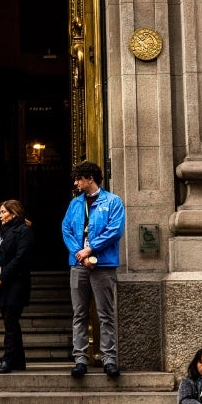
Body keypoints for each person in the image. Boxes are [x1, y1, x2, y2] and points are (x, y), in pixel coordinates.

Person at [61, 160, 125, 379]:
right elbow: (66, 229)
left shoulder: (113, 201)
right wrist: (80, 253)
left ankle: (109, 359)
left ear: (90, 178)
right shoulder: (75, 204)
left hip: (103, 265)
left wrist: (91, 249)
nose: (76, 183)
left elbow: (115, 230)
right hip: (78, 265)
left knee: (105, 313)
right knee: (79, 313)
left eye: (79, 178)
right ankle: (80, 359)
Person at [0, 199, 34, 374]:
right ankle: (19, 361)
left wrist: (2, 277)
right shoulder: (1, 233)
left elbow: (20, 258)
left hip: (16, 283)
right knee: (10, 322)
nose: (0, 216)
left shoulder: (24, 231)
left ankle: (7, 359)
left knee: (10, 321)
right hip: (1, 283)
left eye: (3, 212)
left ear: (14, 213)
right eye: (0, 212)